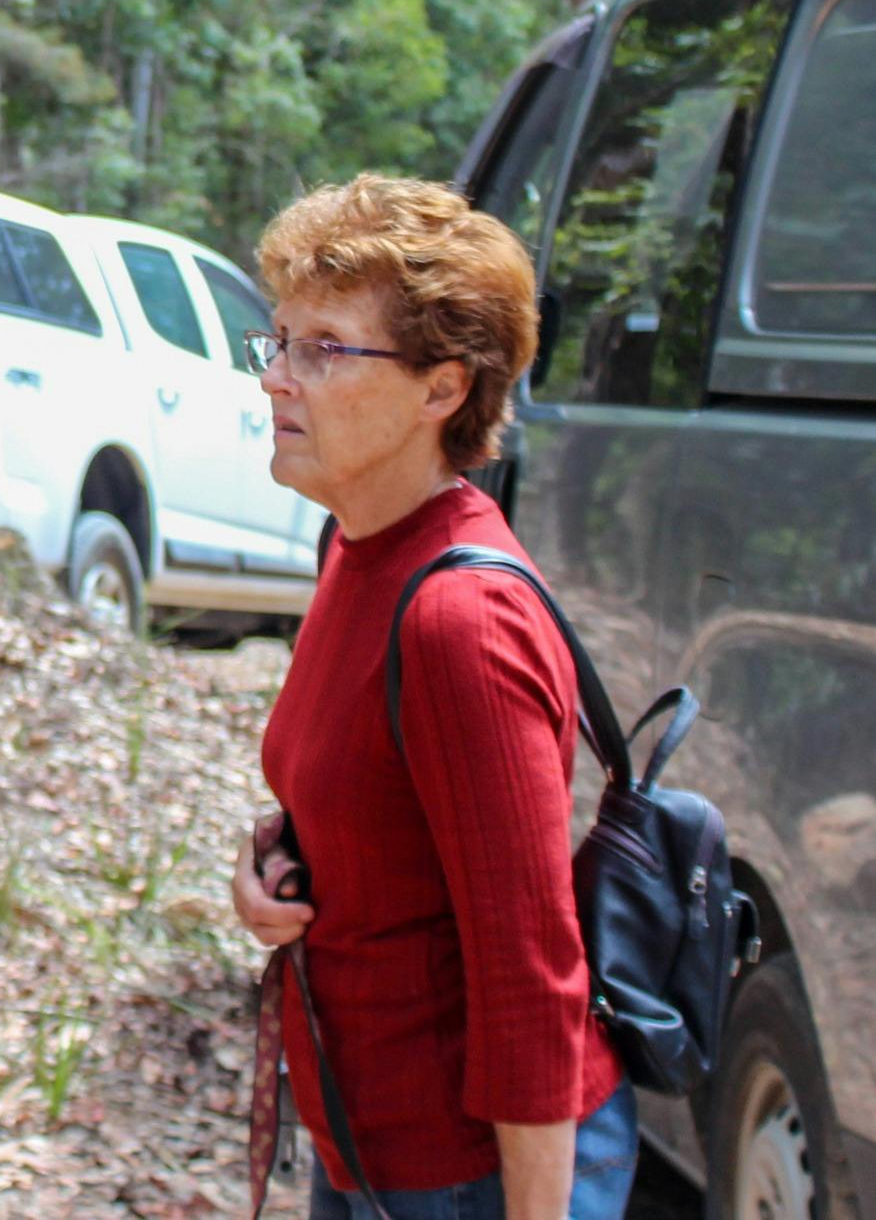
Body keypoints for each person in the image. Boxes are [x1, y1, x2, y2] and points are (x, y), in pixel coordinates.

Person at [228, 175, 634, 1220]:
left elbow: (529, 972)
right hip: (367, 1149)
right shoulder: (353, 548)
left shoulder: (457, 621)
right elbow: (376, 796)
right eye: (275, 341)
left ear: (441, 389)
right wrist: (277, 860)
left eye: (323, 348)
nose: (277, 379)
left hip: (468, 1179)